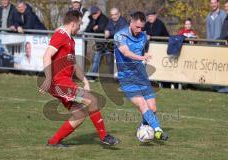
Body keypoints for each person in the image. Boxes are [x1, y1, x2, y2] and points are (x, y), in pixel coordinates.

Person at [39, 10, 118, 147]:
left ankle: (53, 142)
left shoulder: (71, 40)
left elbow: (73, 64)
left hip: (66, 82)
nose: (80, 27)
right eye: (80, 24)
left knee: (79, 115)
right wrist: (47, 78)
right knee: (92, 100)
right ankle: (104, 136)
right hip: (58, 83)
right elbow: (47, 56)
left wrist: (85, 81)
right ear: (73, 23)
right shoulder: (60, 35)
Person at [114, 11, 168, 140]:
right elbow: (126, 53)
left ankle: (143, 128)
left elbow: (141, 52)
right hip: (127, 78)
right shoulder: (119, 35)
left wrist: (144, 58)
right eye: (137, 27)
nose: (139, 30)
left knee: (153, 108)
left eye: (142, 27)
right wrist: (142, 57)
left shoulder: (143, 37)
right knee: (143, 105)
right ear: (131, 21)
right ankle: (158, 130)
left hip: (141, 76)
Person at [85, 6, 109, 80]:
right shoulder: (92, 18)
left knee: (110, 60)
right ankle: (92, 76)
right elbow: (88, 29)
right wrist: (93, 27)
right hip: (100, 44)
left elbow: (104, 28)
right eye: (92, 14)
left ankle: (113, 77)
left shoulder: (104, 18)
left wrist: (97, 28)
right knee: (96, 59)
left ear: (99, 12)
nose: (93, 15)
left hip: (108, 43)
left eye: (95, 13)